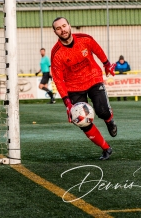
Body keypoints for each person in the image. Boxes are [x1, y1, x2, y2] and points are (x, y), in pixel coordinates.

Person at [50, 17, 117, 160]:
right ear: (55, 32)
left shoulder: (85, 39)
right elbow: (58, 79)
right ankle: (106, 148)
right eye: (58, 28)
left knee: (102, 111)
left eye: (64, 26)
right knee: (81, 120)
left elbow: (97, 49)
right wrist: (67, 102)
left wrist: (106, 64)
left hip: (93, 78)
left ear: (69, 25)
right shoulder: (56, 54)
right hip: (73, 86)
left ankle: (109, 120)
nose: (63, 30)